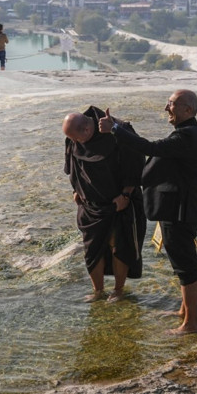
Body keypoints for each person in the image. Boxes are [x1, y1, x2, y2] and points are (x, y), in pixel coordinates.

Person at [99, 90, 197, 334]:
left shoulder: (187, 135)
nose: (166, 108)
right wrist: (117, 124)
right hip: (177, 209)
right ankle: (184, 312)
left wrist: (115, 130)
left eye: (172, 104)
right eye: (168, 103)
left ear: (188, 110)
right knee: (181, 264)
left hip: (179, 211)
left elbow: (149, 147)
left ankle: (191, 324)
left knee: (185, 267)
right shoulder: (187, 131)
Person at [63, 107, 147, 303]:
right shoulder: (73, 136)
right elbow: (72, 164)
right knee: (92, 249)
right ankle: (98, 290)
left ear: (86, 129)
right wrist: (75, 190)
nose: (73, 142)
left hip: (119, 201)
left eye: (75, 138)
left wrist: (126, 193)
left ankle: (118, 290)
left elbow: (137, 163)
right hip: (89, 203)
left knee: (119, 246)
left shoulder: (119, 129)